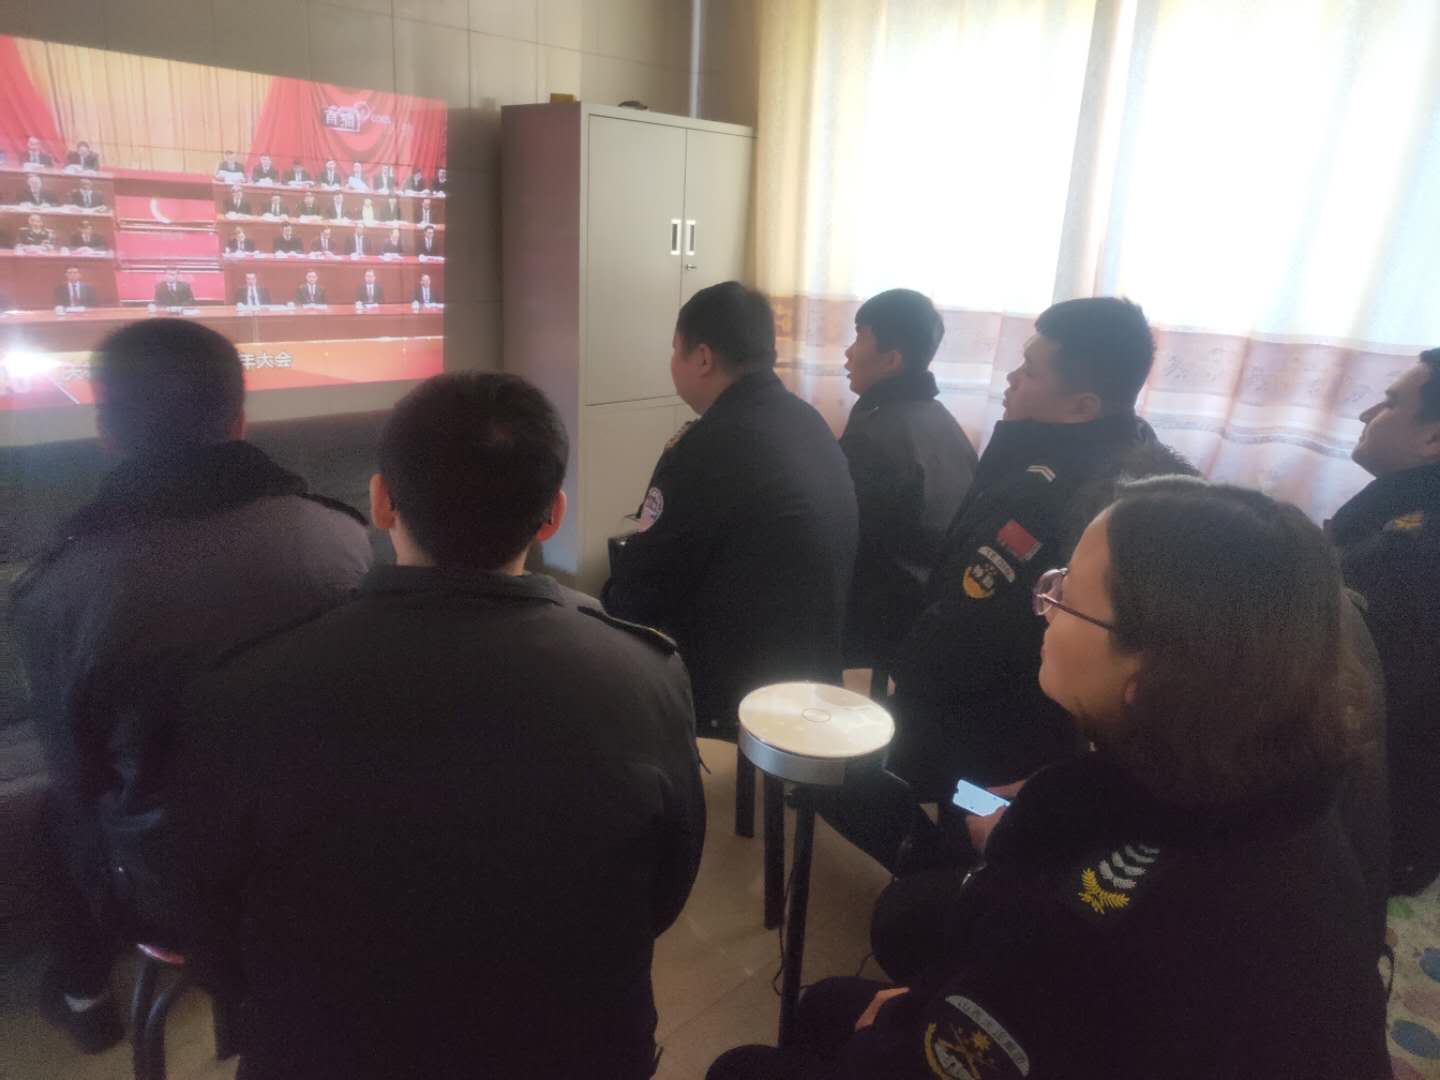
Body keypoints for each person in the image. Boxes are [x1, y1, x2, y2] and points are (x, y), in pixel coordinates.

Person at [708, 478, 1392, 1080]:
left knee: (741, 1066)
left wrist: (905, 1026)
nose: (1045, 601)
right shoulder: (1282, 788)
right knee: (832, 1001)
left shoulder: (1078, 929)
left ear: (1150, 673)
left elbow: (965, 1043)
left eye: (1067, 595)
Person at [161, 372, 704, 1080]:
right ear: (553, 514)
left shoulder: (241, 693)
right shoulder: (647, 675)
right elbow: (662, 895)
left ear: (381, 501)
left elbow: (209, 935)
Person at [10, 319, 371, 1055]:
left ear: (107, 431)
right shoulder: (342, 538)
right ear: (239, 419)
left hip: (176, 895)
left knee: (60, 811)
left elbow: (80, 778)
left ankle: (84, 995)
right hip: (337, 854)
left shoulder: (61, 588)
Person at [817, 297, 1188, 874]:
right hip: (1044, 726)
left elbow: (970, 623)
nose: (1012, 378)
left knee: (857, 782)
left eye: (1031, 371)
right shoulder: (1132, 458)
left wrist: (905, 687)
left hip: (986, 732)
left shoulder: (1045, 494)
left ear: (1083, 406)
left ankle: (943, 876)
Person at [603, 281, 858, 738]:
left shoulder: (708, 445)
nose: (672, 361)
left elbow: (642, 585)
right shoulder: (806, 419)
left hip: (742, 690)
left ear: (702, 357)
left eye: (675, 349)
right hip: (812, 663)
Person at [1328, 348, 1440, 895]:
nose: (1366, 414)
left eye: (1391, 403)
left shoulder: (1409, 551)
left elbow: (1345, 704)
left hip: (1371, 834)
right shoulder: (1400, 509)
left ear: (1433, 439)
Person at [838, 289, 977, 674]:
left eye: (859, 338)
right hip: (931, 613)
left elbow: (845, 539)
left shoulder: (875, 436)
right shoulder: (942, 420)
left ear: (892, 360)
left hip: (881, 628)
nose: (848, 353)